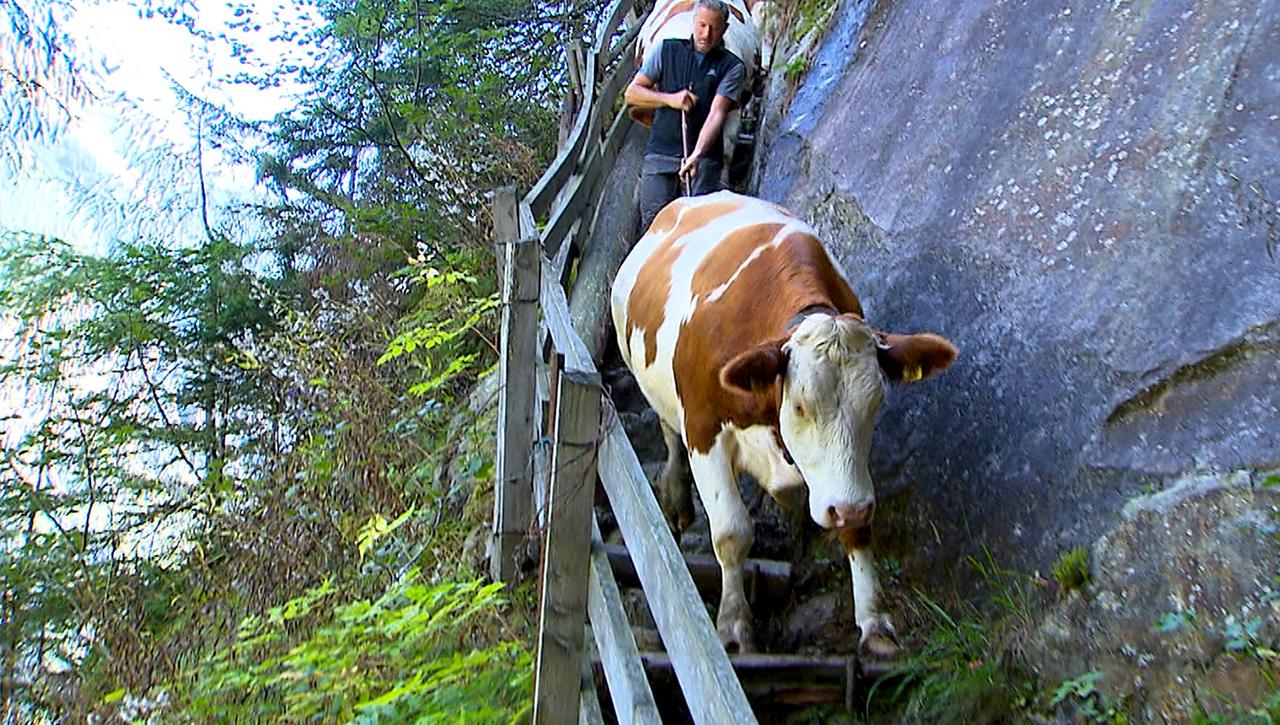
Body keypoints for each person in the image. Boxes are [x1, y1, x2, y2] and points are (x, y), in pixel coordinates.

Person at [624, 0, 746, 232]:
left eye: (714, 28)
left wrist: (697, 155)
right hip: (660, 156)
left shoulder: (732, 67)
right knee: (655, 230)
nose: (706, 34)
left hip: (704, 162)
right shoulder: (666, 50)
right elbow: (632, 93)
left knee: (699, 232)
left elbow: (717, 114)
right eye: (702, 25)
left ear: (725, 29)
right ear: (693, 20)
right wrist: (669, 99)